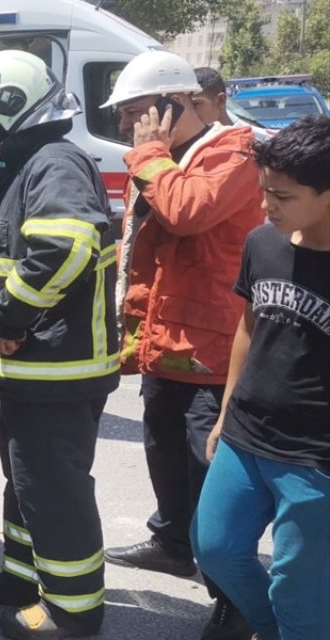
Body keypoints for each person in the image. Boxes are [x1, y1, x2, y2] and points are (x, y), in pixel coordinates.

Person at [0, 50, 118, 639]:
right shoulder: (34, 164)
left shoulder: (55, 164)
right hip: (36, 373)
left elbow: (65, 248)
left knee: (53, 488)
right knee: (25, 481)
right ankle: (26, 576)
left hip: (58, 369)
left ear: (14, 113)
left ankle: (73, 610)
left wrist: (11, 319)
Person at [100, 50, 265, 640]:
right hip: (168, 344)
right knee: (164, 454)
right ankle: (172, 542)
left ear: (177, 104)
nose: (126, 127)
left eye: (136, 113)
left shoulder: (235, 151)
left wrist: (149, 154)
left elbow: (187, 211)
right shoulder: (177, 155)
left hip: (213, 352)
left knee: (210, 479)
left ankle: (234, 596)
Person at [192, 115, 330, 640]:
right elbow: (250, 325)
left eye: (283, 195)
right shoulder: (262, 243)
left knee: (300, 586)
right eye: (264, 191)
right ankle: (267, 626)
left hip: (315, 458)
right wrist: (226, 410)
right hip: (245, 434)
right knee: (216, 547)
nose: (266, 204)